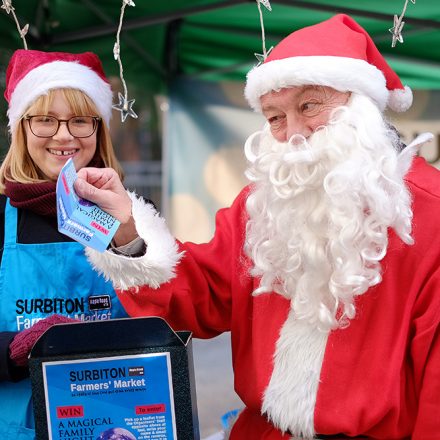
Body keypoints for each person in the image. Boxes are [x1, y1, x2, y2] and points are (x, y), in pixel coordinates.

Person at [75, 15, 440, 439]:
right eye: (274, 117)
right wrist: (126, 229)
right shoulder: (262, 204)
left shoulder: (428, 214)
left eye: (309, 106)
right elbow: (198, 293)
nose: (294, 134)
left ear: (361, 104)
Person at [0, 49, 129, 439]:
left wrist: (132, 238)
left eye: (79, 121)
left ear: (98, 129)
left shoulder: (131, 214)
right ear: (22, 130)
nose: (64, 135)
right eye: (45, 121)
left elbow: (169, 310)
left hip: (117, 418)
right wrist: (16, 348)